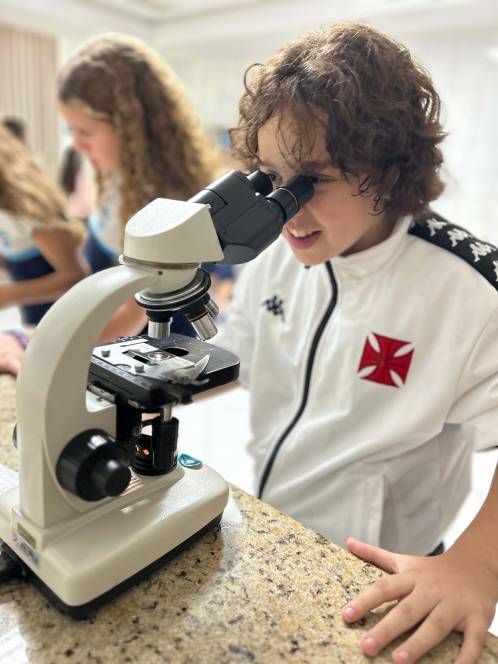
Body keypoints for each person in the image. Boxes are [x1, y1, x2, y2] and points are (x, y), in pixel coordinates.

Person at [217, 22, 498, 663]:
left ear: (389, 166)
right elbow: (238, 353)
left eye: (312, 178)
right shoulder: (275, 252)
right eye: (269, 177)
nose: (283, 209)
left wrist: (478, 565)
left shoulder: (471, 287)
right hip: (276, 529)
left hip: (385, 570)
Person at [0, 124, 88, 341]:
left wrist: (8, 294)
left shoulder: (30, 212)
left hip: (64, 325)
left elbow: (75, 276)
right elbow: (16, 252)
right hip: (35, 323)